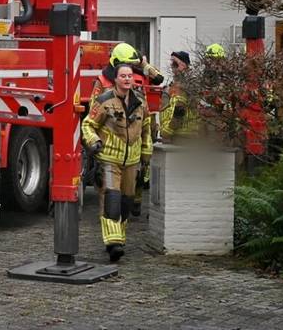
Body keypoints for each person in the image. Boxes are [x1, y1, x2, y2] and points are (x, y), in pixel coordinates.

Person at [82, 63, 153, 263]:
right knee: (112, 199)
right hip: (109, 159)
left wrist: (147, 152)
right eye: (123, 76)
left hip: (132, 161)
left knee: (126, 202)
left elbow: (147, 128)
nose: (127, 79)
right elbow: (88, 124)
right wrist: (94, 142)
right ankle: (113, 243)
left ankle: (119, 239)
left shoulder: (140, 101)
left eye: (130, 76)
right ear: (115, 79)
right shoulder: (104, 101)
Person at [88, 43, 163, 215]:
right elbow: (94, 108)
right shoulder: (103, 82)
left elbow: (159, 78)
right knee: (108, 180)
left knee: (139, 171)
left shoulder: (136, 75)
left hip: (138, 129)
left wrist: (144, 65)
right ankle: (110, 215)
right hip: (113, 135)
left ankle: (134, 202)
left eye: (132, 65)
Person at [160, 50, 200, 142]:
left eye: (175, 63)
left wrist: (168, 130)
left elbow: (180, 109)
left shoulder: (191, 83)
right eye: (172, 63)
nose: (172, 67)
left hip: (186, 138)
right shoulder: (173, 84)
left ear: (185, 65)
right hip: (173, 136)